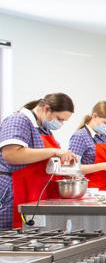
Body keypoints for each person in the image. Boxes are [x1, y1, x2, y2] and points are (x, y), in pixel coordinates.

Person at [0, 94, 79, 229]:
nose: (60, 124)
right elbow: (11, 154)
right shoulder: (18, 120)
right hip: (16, 190)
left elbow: (40, 159)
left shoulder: (43, 128)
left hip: (34, 192)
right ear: (46, 109)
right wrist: (54, 151)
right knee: (11, 235)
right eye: (59, 119)